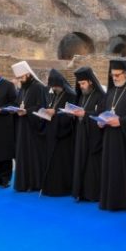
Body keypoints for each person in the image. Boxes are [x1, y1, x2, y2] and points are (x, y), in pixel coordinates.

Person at [99, 58, 126, 211]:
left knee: (122, 169)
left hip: (125, 138)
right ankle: (109, 201)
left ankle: (124, 202)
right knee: (110, 168)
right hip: (110, 136)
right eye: (112, 75)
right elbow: (102, 110)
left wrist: (121, 121)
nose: (115, 78)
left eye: (117, 75)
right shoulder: (111, 91)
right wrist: (100, 121)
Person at [70, 67, 106, 202]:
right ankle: (80, 192)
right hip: (81, 134)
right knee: (80, 162)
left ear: (91, 82)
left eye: (83, 83)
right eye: (79, 84)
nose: (81, 86)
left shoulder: (101, 96)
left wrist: (85, 114)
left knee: (91, 166)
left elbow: (101, 115)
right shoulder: (82, 96)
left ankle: (92, 194)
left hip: (93, 136)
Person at [11, 61, 47, 192]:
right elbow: (18, 103)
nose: (20, 80)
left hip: (33, 127)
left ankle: (35, 183)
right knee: (23, 154)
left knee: (33, 155)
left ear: (28, 74)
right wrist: (14, 109)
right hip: (22, 126)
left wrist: (27, 111)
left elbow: (41, 106)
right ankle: (24, 183)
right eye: (18, 78)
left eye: (21, 77)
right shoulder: (23, 88)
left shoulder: (38, 87)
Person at [41, 69, 76, 197]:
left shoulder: (71, 95)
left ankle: (63, 188)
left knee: (62, 162)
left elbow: (71, 115)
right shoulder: (55, 94)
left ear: (60, 84)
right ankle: (51, 186)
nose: (54, 88)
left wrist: (55, 113)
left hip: (64, 135)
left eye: (55, 86)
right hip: (52, 132)